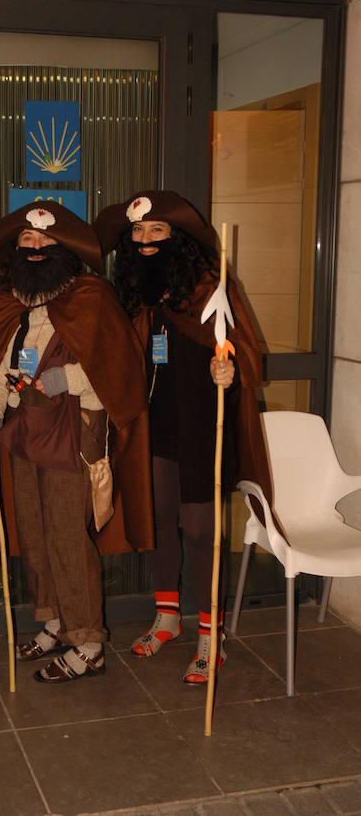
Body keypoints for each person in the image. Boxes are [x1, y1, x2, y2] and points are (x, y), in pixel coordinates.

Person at [0, 201, 154, 683]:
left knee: (69, 539)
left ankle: (88, 642)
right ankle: (55, 622)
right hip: (23, 435)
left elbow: (117, 375)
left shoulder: (90, 296)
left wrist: (60, 380)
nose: (35, 249)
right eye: (27, 241)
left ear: (64, 249)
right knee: (33, 533)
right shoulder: (11, 301)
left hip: (72, 435)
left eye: (45, 241)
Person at [95, 190, 271, 683]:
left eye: (157, 231)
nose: (146, 241)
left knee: (198, 528)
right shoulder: (136, 295)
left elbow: (246, 352)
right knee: (160, 520)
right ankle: (168, 616)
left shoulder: (209, 287)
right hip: (155, 425)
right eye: (138, 232)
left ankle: (211, 635)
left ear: (178, 239)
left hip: (200, 426)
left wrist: (229, 371)